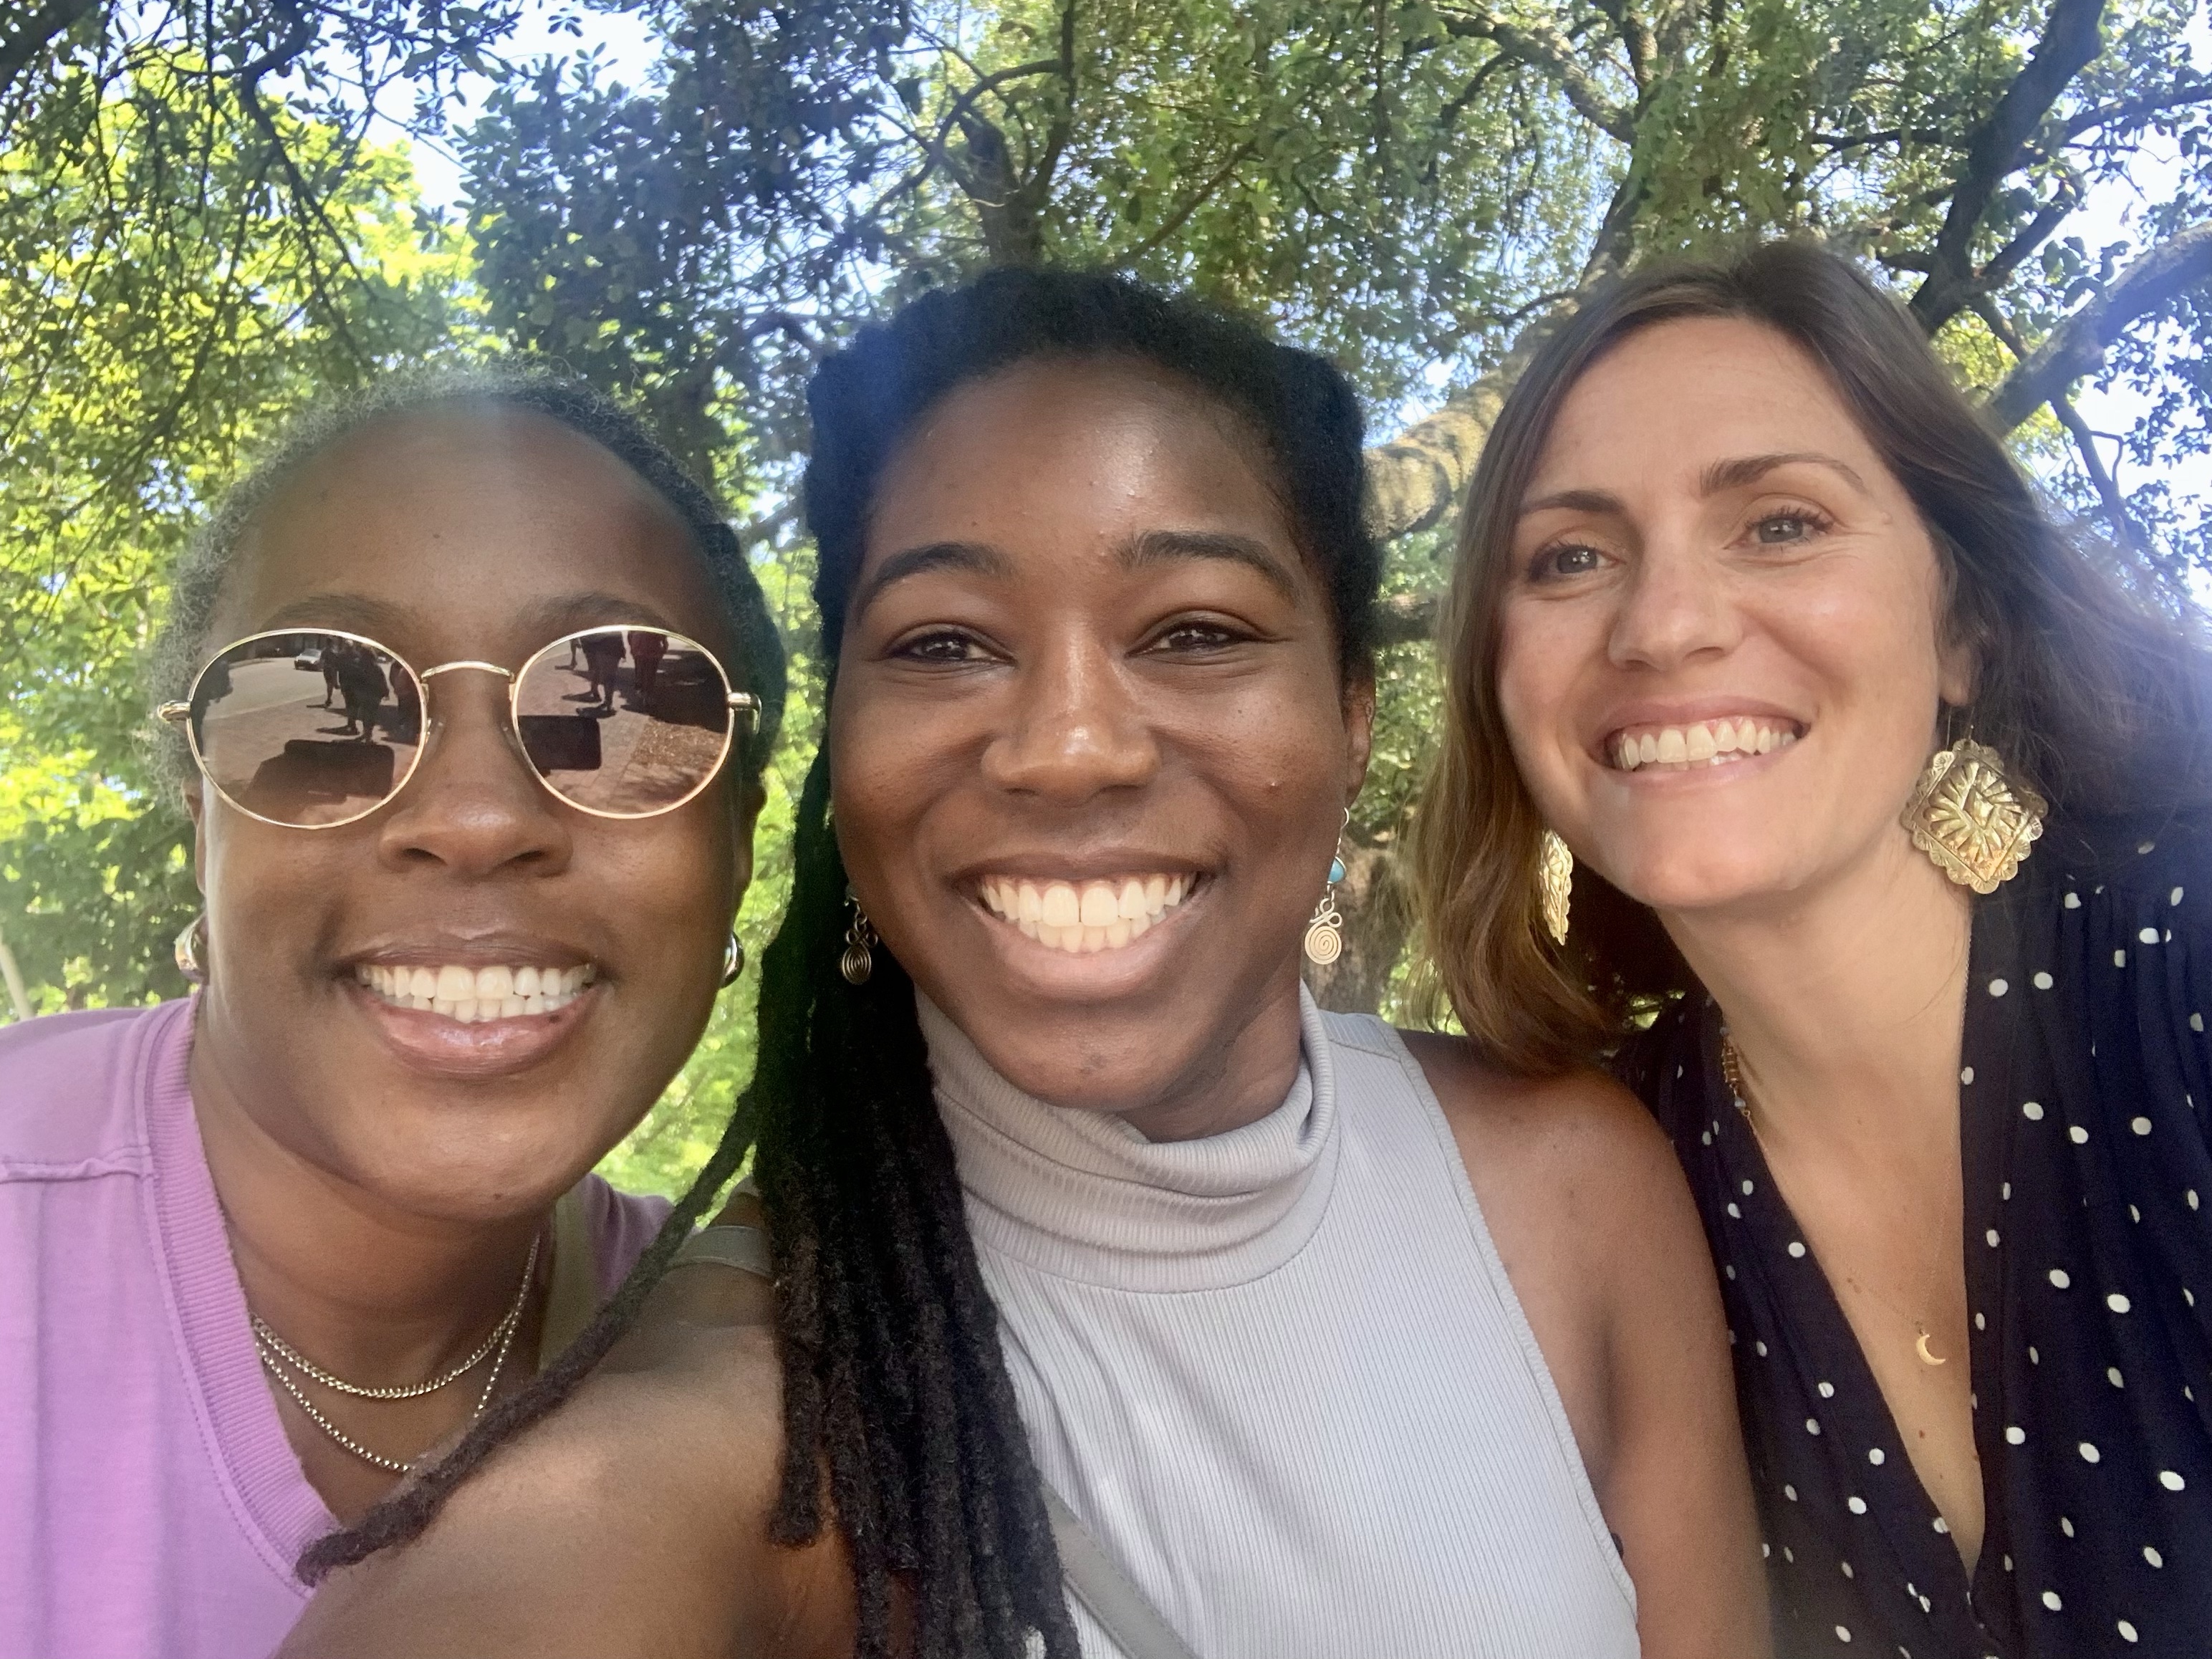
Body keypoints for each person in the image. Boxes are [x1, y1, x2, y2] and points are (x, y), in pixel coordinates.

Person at [280, 269, 1766, 1659]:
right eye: (944, 644)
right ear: (844, 745)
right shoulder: (770, 1404)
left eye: (1194, 630)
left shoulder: (1572, 1181)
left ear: (1351, 713)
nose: (1067, 747)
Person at [1414, 239, 2212, 1656]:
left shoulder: (2178, 966)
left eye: (1779, 524)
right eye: (1571, 557)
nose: (1664, 626)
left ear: (1963, 625)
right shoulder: (1594, 1187)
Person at [0, 367, 787, 1659]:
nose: (475, 818)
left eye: (622, 710)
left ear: (737, 842)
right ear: (201, 819)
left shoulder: (737, 1361)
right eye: (319, 713)